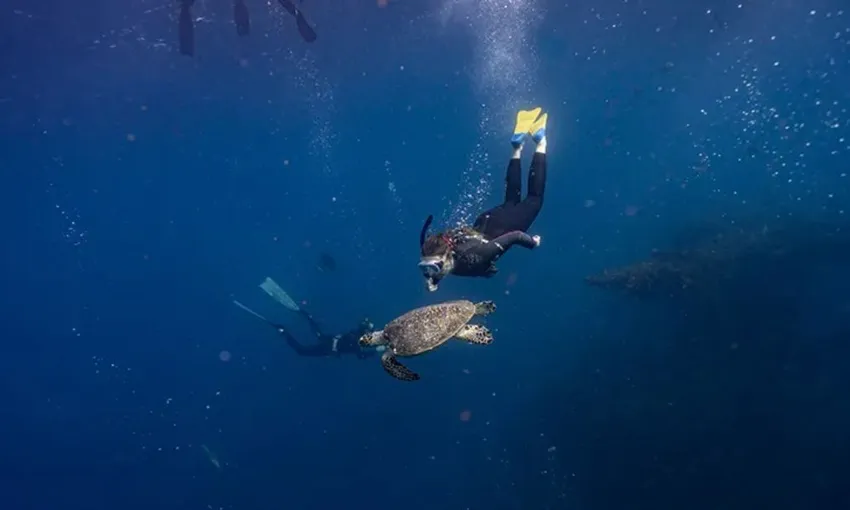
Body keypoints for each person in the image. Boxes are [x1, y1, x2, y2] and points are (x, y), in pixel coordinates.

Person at [417, 107, 548, 291]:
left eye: (432, 269)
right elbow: (438, 263)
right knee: (511, 201)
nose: (430, 272)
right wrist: (434, 280)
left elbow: (515, 236)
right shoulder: (438, 252)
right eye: (426, 269)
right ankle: (517, 148)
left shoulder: (475, 258)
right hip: (486, 221)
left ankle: (540, 141)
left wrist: (532, 243)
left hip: (503, 228)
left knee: (534, 199)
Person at [233, 300, 379, 359]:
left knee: (318, 334)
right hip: (327, 347)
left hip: (328, 339)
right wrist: (375, 352)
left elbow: (358, 341)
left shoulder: (356, 334)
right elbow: (360, 355)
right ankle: (284, 332)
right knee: (301, 351)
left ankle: (306, 315)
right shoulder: (357, 340)